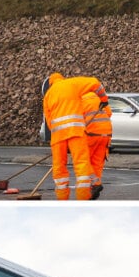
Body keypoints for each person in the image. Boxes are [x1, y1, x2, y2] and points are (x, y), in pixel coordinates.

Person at [42, 73, 108, 201]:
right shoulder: (72, 84)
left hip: (58, 136)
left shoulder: (48, 96)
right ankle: (83, 198)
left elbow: (49, 121)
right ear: (61, 79)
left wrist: (62, 139)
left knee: (59, 169)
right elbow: (95, 82)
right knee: (81, 164)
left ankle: (62, 200)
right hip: (76, 132)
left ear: (50, 84)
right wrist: (104, 99)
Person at [81, 91, 112, 200]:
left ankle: (95, 184)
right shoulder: (97, 97)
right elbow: (109, 113)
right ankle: (94, 188)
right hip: (106, 133)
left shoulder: (78, 99)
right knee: (97, 163)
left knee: (84, 161)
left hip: (91, 133)